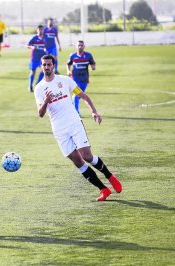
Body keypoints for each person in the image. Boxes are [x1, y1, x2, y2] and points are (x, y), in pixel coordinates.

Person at [34, 55, 122, 201]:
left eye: (49, 64)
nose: (47, 67)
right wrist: (46, 102)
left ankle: (109, 176)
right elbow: (41, 114)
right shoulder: (39, 88)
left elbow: (83, 96)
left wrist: (94, 111)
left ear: (53, 65)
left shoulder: (65, 81)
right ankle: (103, 189)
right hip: (59, 130)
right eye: (44, 65)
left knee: (86, 155)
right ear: (42, 66)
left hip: (74, 122)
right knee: (77, 161)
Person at [66, 40, 96, 115]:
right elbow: (68, 64)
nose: (80, 47)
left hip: (85, 79)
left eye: (81, 45)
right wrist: (68, 71)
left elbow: (93, 63)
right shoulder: (72, 55)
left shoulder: (88, 55)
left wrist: (93, 67)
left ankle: (73, 101)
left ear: (84, 46)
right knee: (77, 94)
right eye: (78, 45)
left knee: (81, 95)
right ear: (76, 46)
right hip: (75, 78)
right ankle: (76, 111)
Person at [26, 25, 46, 92]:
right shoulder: (34, 38)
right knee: (33, 72)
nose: (40, 31)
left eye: (41, 29)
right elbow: (27, 45)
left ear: (43, 30)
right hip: (34, 58)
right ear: (37, 30)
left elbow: (46, 46)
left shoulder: (45, 38)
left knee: (44, 71)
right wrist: (32, 47)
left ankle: (37, 83)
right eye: (39, 29)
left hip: (42, 58)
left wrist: (46, 51)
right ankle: (30, 86)